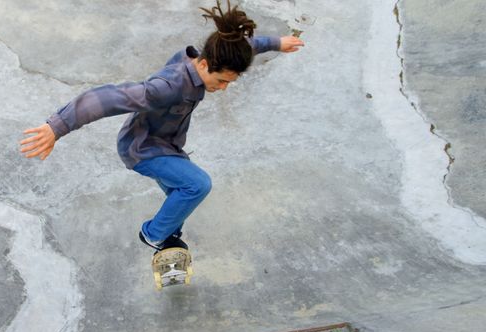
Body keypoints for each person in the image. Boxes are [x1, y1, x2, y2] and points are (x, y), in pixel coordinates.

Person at [20, 0, 304, 252]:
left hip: (167, 144)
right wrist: (57, 126)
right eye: (221, 82)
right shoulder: (166, 87)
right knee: (197, 185)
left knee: (179, 196)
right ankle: (153, 235)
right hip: (143, 149)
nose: (223, 88)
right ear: (205, 64)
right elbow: (106, 98)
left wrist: (278, 43)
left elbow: (246, 47)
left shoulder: (216, 55)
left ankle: (169, 234)